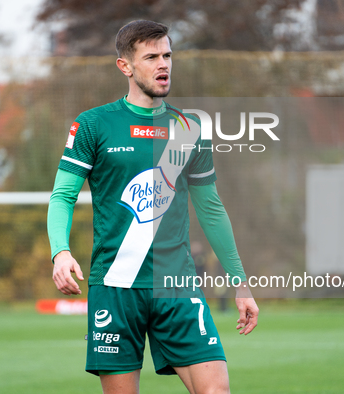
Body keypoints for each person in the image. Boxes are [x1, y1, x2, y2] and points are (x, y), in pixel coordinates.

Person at [47, 20, 259, 394]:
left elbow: (210, 208)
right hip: (116, 287)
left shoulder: (188, 128)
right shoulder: (95, 125)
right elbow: (62, 196)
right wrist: (60, 253)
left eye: (167, 55)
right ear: (125, 66)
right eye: (151, 57)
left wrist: (239, 281)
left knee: (216, 390)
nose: (163, 64)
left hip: (176, 286)